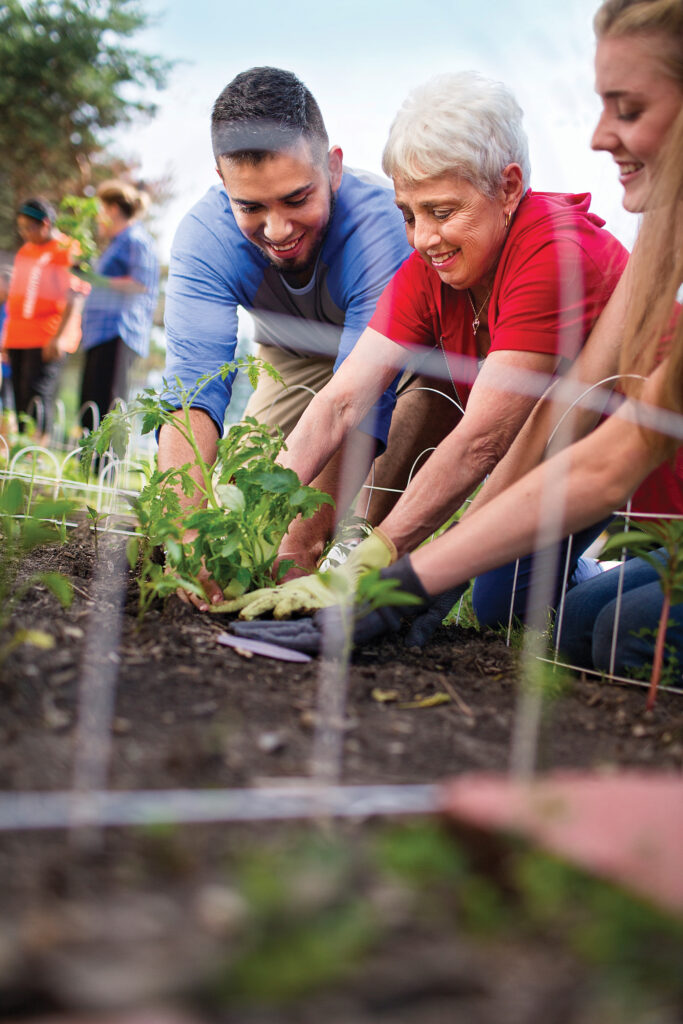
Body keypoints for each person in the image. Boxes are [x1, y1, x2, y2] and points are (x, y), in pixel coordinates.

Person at [232, 0, 683, 682]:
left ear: (507, 188)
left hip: (647, 488)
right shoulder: (432, 268)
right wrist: (253, 531)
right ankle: (616, 581)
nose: (421, 237)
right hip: (582, 470)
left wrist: (384, 563)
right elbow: (342, 400)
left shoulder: (553, 250)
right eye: (408, 213)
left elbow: (485, 438)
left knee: (613, 638)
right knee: (519, 609)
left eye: (441, 212)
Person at [159, 66, 412, 609]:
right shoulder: (204, 237)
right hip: (290, 357)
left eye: (297, 199)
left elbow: (361, 399)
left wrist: (301, 542)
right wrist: (185, 540)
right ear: (223, 183)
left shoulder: (379, 228)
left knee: (363, 511)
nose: (277, 229)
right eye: (251, 207)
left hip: (389, 363)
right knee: (243, 517)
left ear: (334, 169)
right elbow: (191, 395)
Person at [79, 179, 159, 433]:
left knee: (108, 408)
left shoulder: (136, 240)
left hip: (119, 332)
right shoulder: (116, 244)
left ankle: (105, 471)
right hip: (99, 333)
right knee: (91, 405)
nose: (97, 218)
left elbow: (140, 283)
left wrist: (96, 279)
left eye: (100, 210)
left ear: (113, 209)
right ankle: (88, 469)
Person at [1, 198, 82, 441]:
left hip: (47, 335)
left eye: (28, 227)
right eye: (21, 228)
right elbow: (16, 295)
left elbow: (75, 294)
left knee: (36, 396)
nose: (24, 233)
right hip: (18, 336)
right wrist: (6, 336)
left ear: (45, 224)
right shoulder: (26, 251)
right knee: (19, 396)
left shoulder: (68, 249)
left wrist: (59, 338)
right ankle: (21, 450)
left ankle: (36, 453)